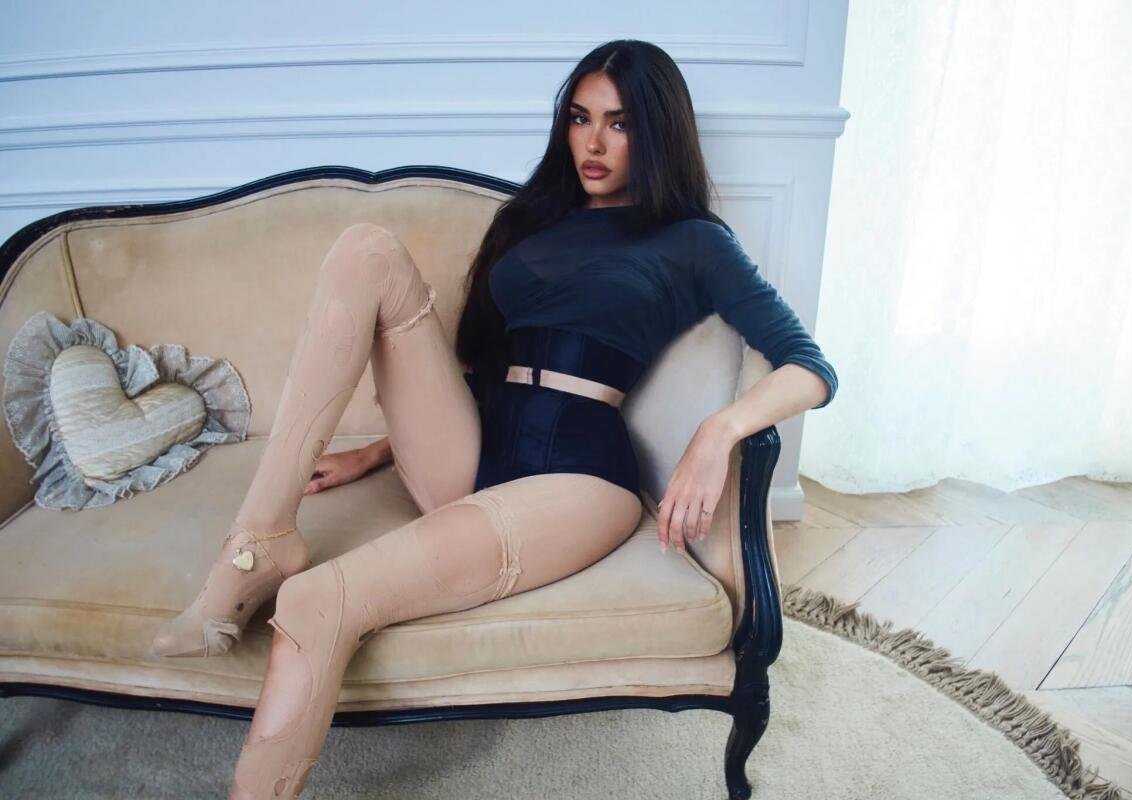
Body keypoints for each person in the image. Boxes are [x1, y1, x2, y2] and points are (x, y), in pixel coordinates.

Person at [149, 38, 839, 799]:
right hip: (476, 453)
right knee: (366, 248)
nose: (594, 142)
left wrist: (718, 432)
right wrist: (377, 451)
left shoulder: (694, 242)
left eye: (619, 123)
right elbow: (481, 372)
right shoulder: (530, 223)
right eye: (580, 118)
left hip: (579, 479)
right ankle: (257, 543)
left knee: (318, 600)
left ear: (657, 130)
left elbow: (810, 366)